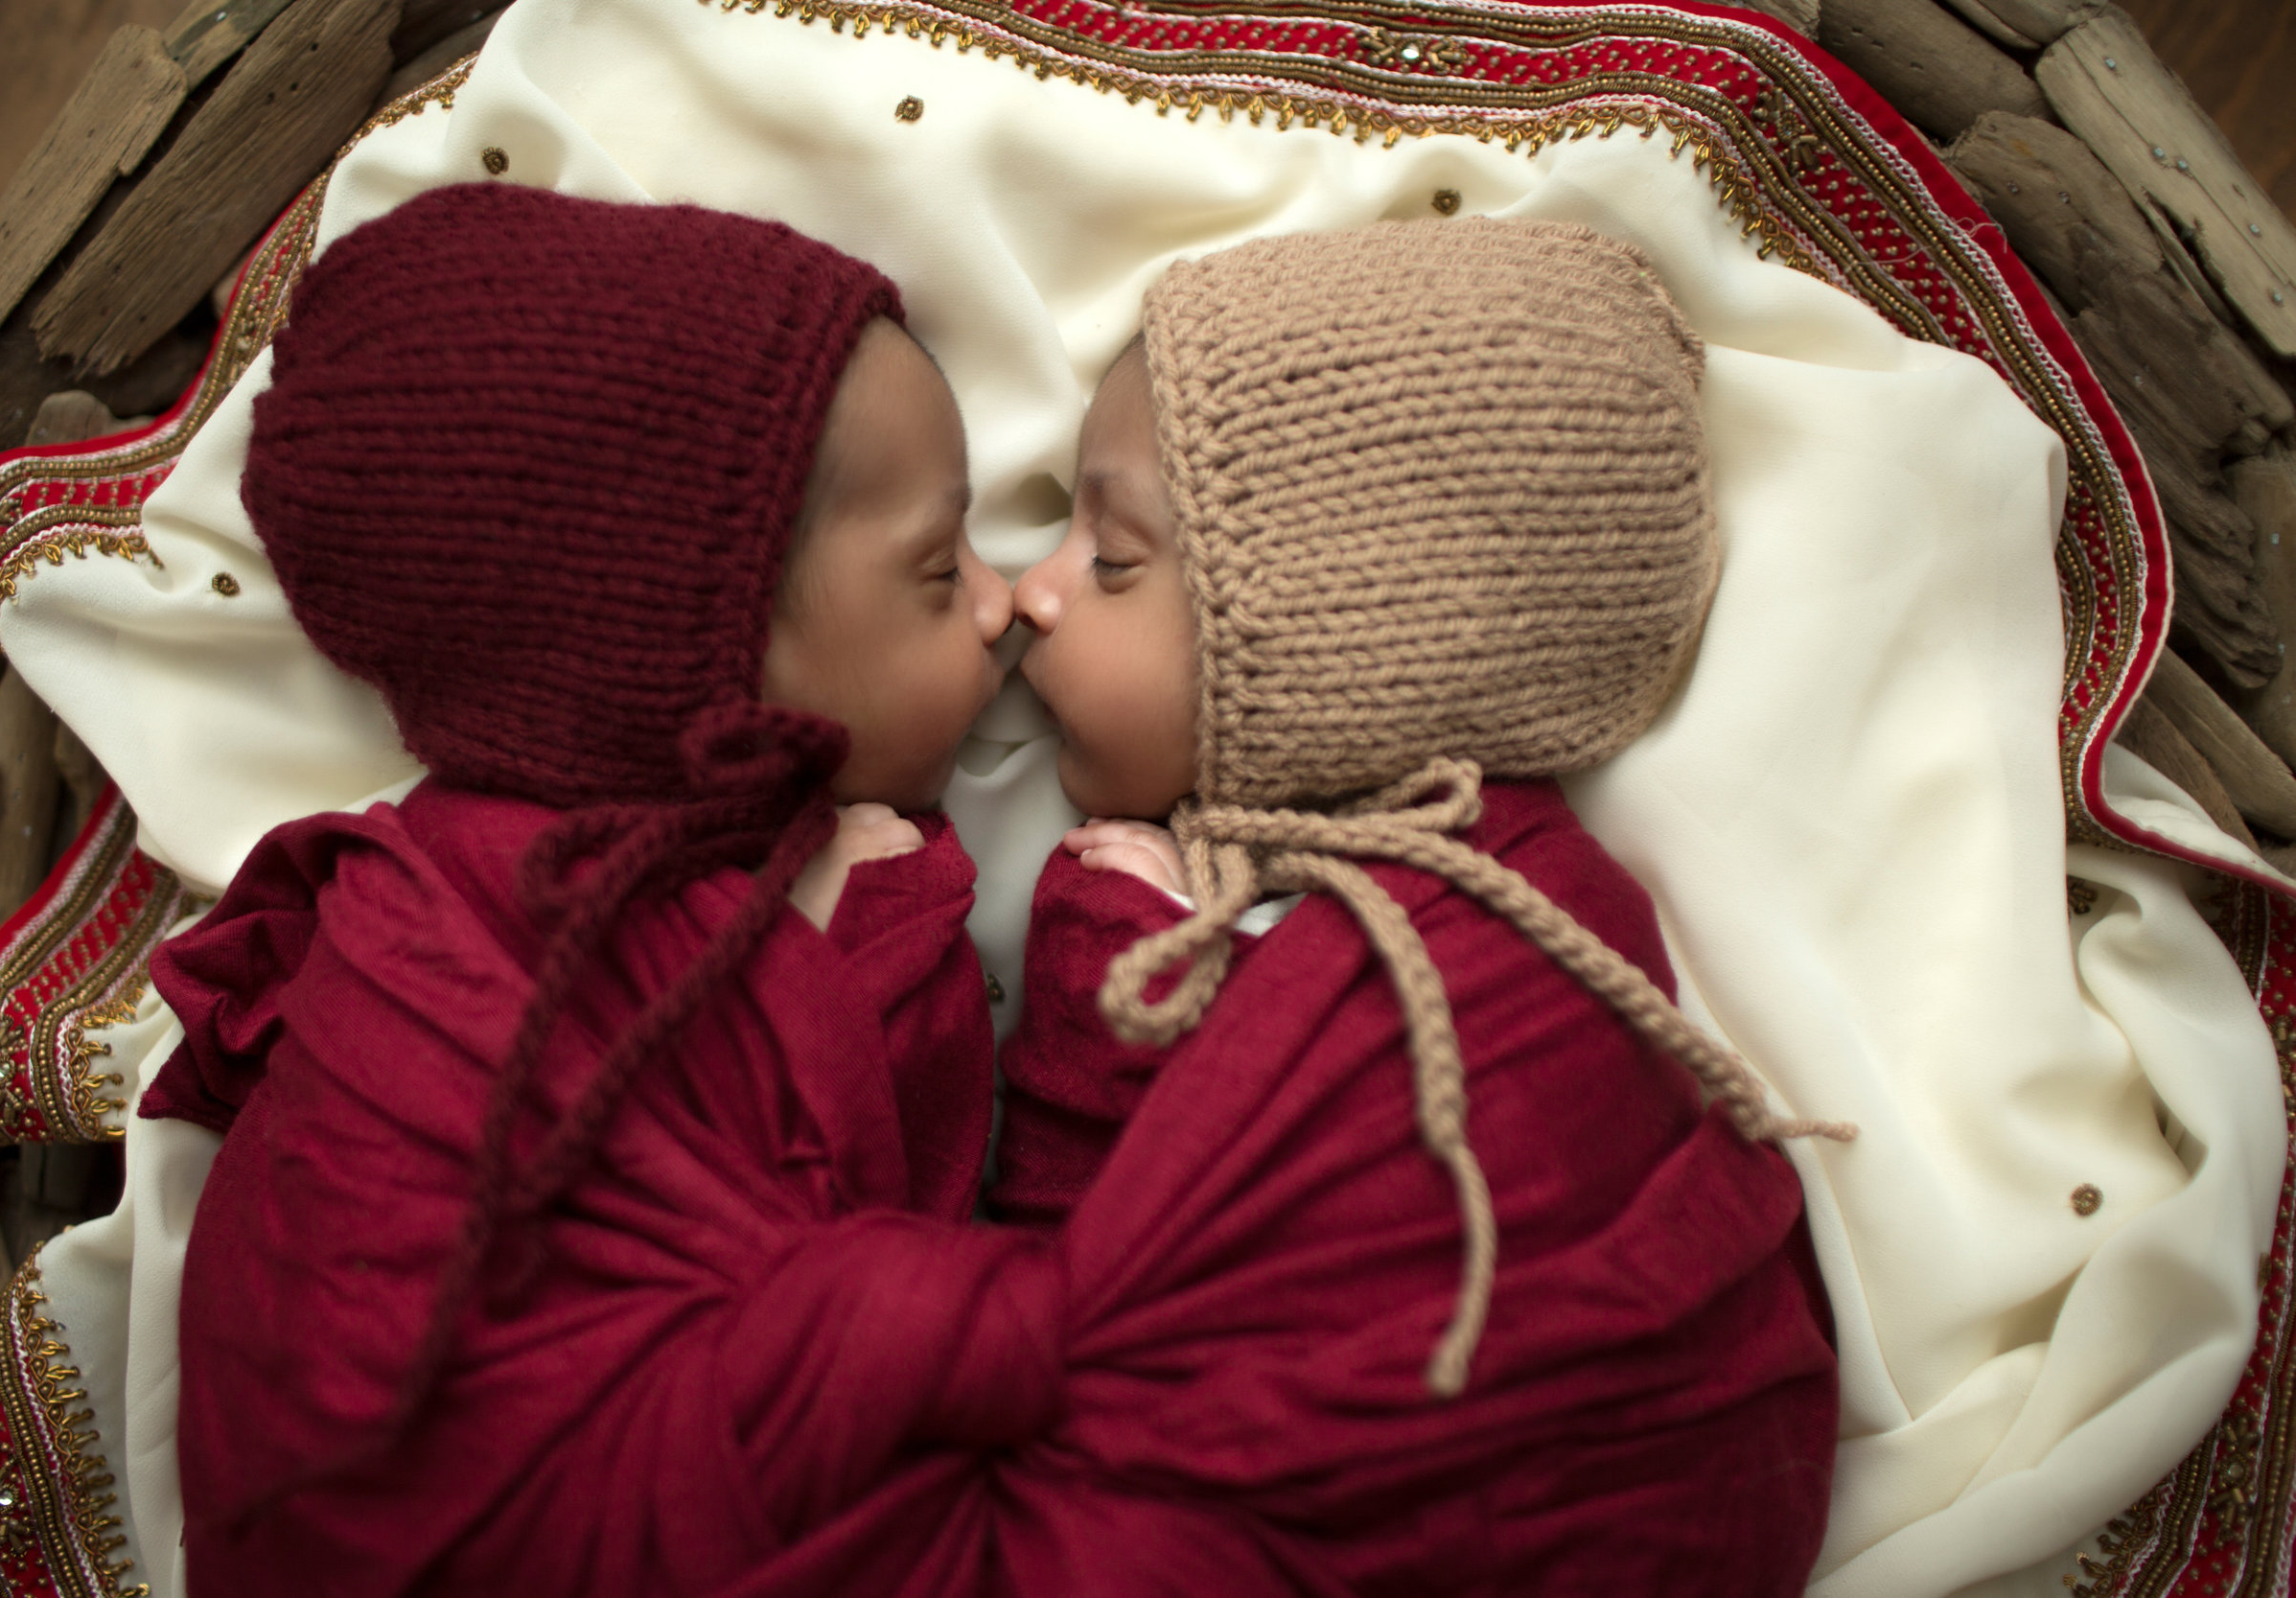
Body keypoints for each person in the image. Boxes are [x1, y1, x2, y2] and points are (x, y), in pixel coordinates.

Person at [140, 180, 1014, 1594]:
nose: (1006, 600)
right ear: (702, 681)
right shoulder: (434, 932)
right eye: (936, 570)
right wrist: (865, 962)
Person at [995, 216, 1851, 1591]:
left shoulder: (1528, 936)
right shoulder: (1224, 896)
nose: (1029, 592)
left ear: (1344, 650)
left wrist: (1113, 1014)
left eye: (1113, 560)